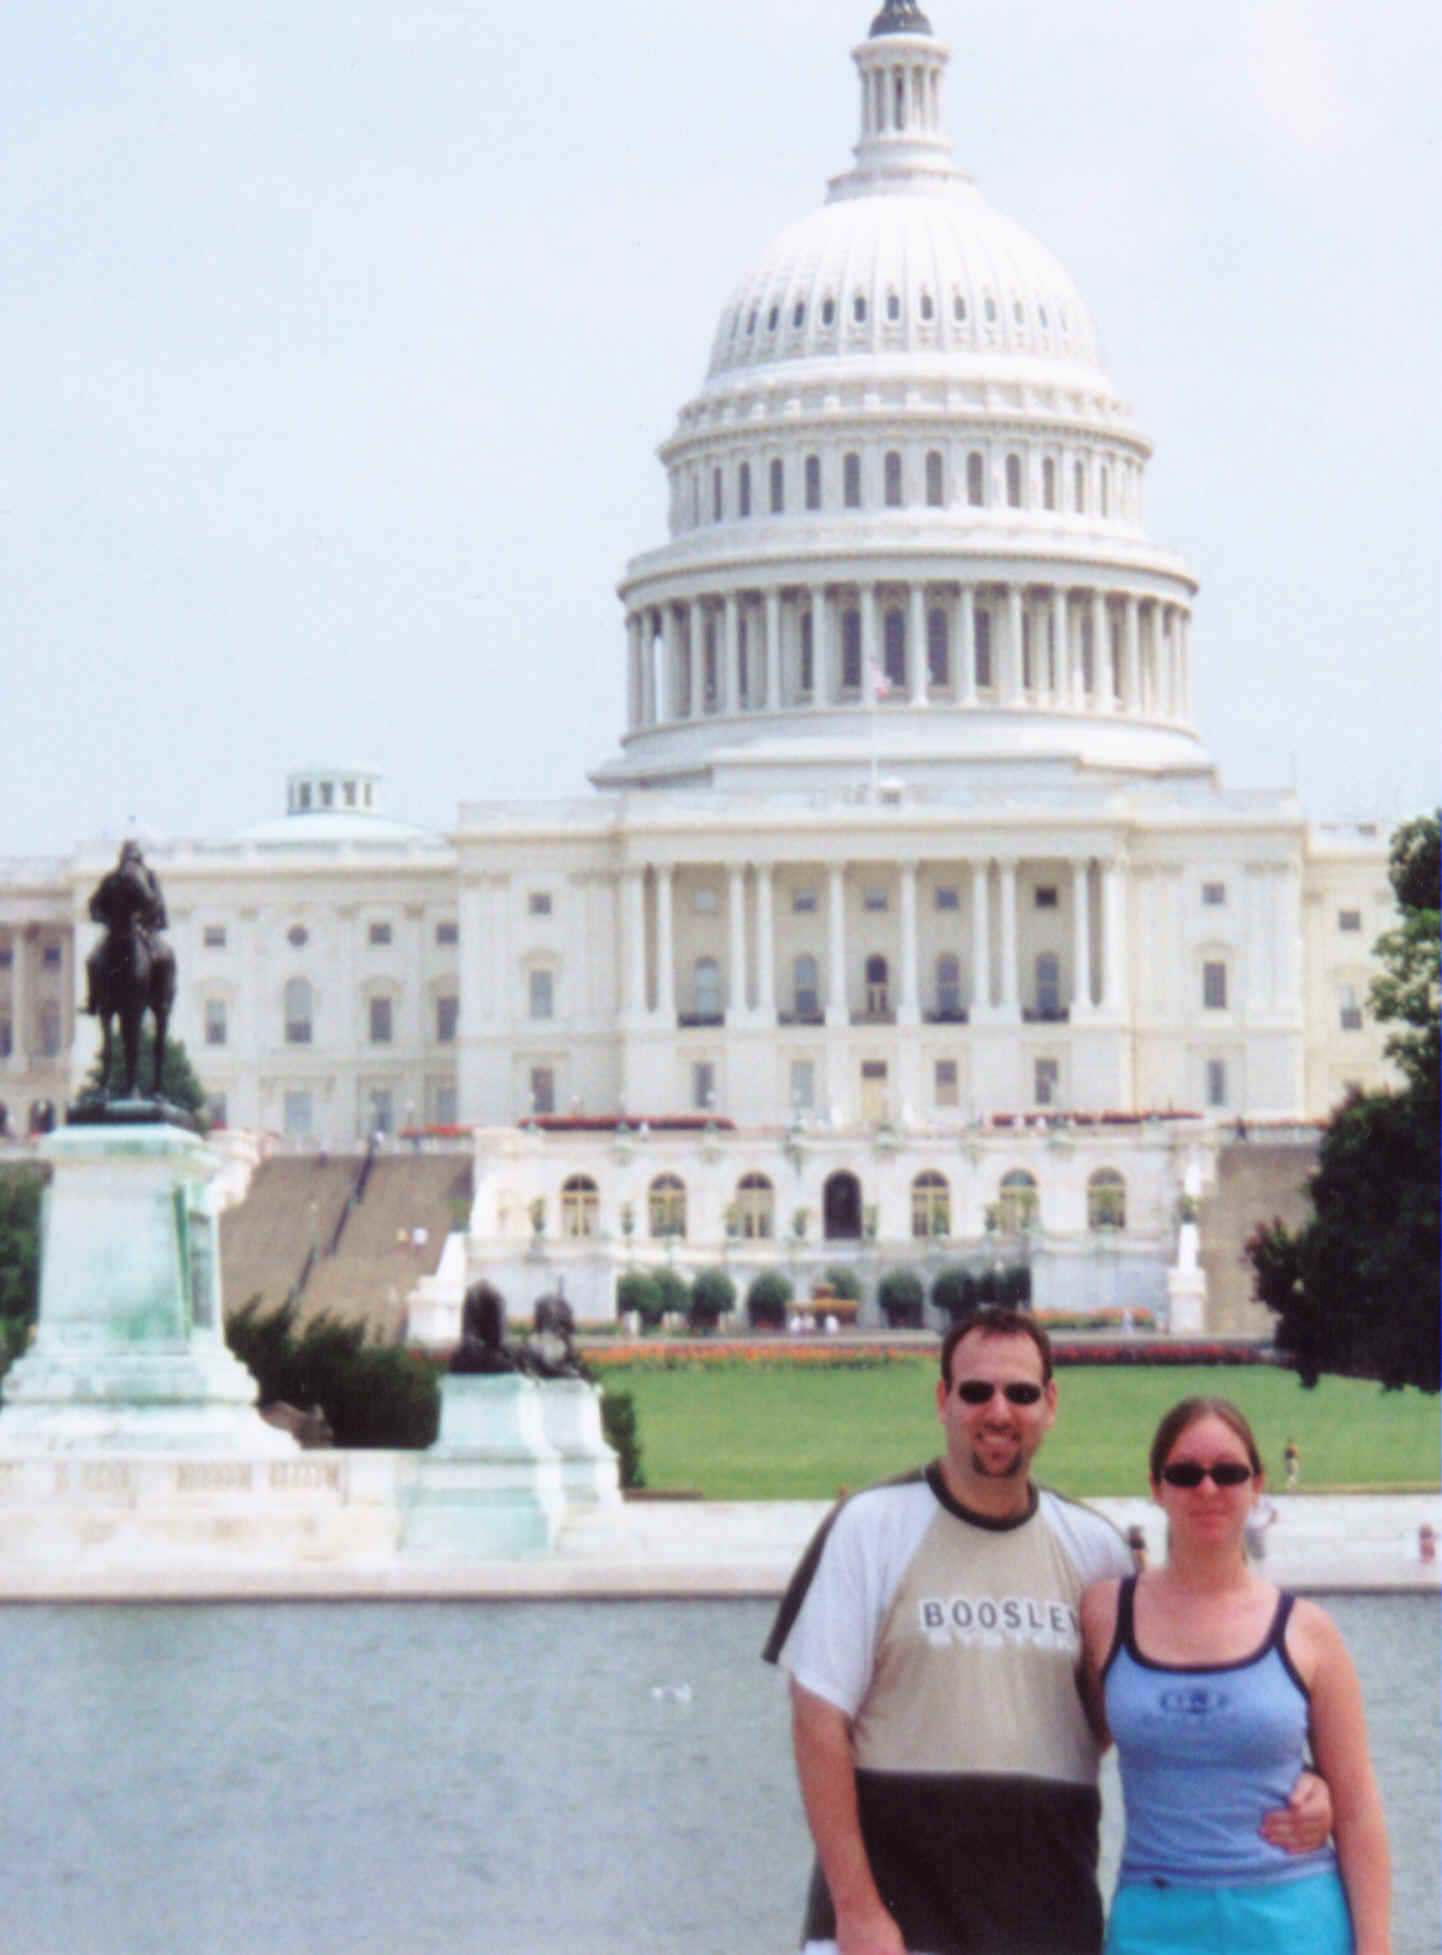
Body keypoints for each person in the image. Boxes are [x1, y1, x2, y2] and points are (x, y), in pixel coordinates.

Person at [763, 1310, 1330, 1955]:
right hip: (891, 1928)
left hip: (1046, 1925)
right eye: (977, 1392)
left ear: (1051, 1404)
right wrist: (857, 1910)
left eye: (1021, 1393)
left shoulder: (1095, 1551)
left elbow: (1171, 1710)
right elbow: (816, 1721)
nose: (998, 1411)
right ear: (943, 1400)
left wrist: (1308, 1780)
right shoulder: (870, 1526)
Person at [1081, 1398, 1389, 1955]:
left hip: (1294, 1918)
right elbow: (1065, 1743)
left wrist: (1376, 1947)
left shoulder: (1308, 1632)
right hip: (1155, 1919)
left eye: (1228, 1472)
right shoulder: (1104, 1616)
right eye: (1184, 1473)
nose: (1207, 1490)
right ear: (1156, 1486)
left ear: (1256, 1485)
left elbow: (1361, 1810)